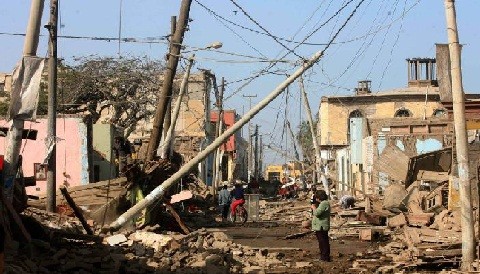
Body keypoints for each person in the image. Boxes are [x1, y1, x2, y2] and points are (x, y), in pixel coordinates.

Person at [311, 190, 331, 262]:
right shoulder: (323, 203)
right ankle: (323, 257)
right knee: (322, 242)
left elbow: (317, 213)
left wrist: (313, 207)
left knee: (323, 242)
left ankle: (325, 257)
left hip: (321, 226)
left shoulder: (324, 203)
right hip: (320, 226)